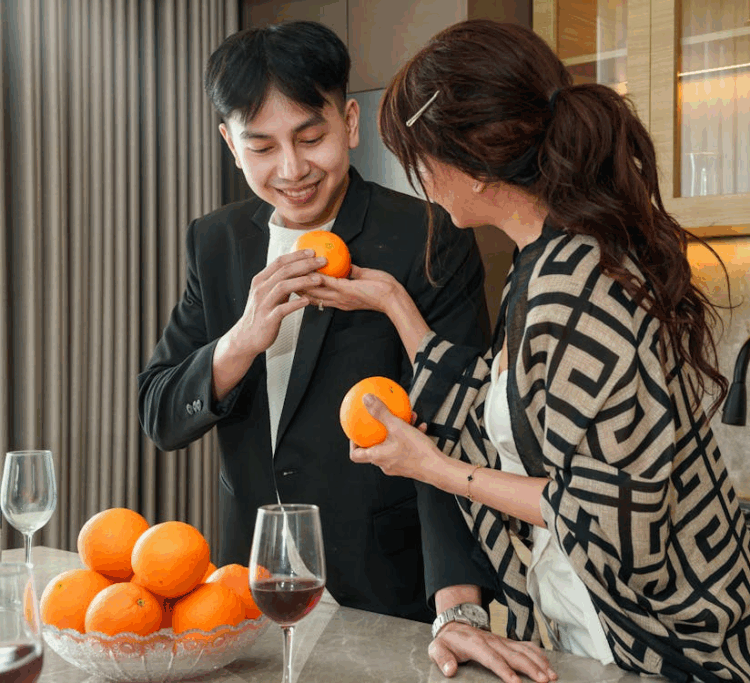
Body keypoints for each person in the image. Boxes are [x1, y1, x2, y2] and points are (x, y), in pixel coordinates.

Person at [312, 19, 750, 683]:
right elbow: (508, 405)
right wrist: (393, 303)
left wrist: (431, 466)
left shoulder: (572, 281)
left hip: (663, 650)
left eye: (420, 161)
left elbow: (607, 511)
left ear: (469, 165)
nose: (419, 181)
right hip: (595, 635)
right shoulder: (546, 258)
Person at [137, 20, 557, 683]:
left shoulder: (429, 233)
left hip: (390, 595)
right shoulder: (214, 241)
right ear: (230, 144)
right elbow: (160, 412)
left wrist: (459, 608)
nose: (292, 168)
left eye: (311, 137)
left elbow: (456, 428)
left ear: (350, 121)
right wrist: (240, 341)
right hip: (250, 595)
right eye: (262, 146)